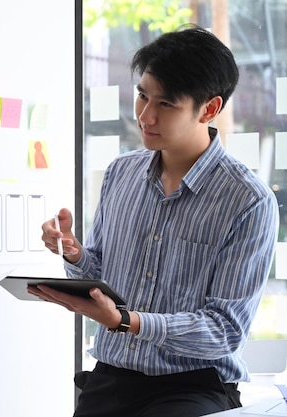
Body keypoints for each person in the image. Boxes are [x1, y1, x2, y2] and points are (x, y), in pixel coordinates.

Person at [32, 25, 279, 417]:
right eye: (142, 96)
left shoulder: (248, 202)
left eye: (166, 104)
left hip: (192, 387)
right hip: (110, 376)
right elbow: (102, 277)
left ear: (210, 109)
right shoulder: (120, 174)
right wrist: (76, 254)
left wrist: (129, 321)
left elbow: (225, 330)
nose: (146, 115)